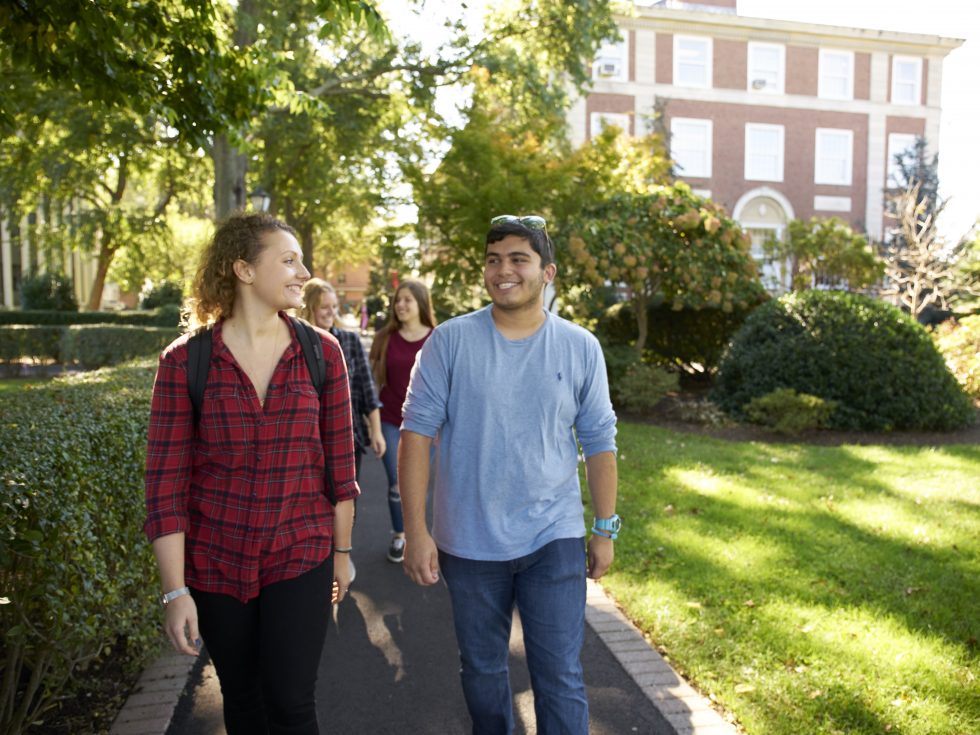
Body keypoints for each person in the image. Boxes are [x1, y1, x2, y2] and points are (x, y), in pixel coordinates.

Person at [399, 215, 619, 734]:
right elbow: (416, 435)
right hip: (469, 542)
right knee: (481, 671)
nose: (504, 271)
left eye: (519, 259)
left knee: (559, 674)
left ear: (547, 272)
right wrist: (416, 530)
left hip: (553, 537)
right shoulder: (450, 342)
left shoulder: (580, 346)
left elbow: (600, 442)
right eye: (494, 260)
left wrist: (604, 528)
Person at [144, 213, 358, 735]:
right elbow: (165, 488)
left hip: (300, 552)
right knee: (242, 702)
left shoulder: (322, 354)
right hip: (216, 564)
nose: (303, 272)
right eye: (288, 260)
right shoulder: (185, 362)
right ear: (242, 269)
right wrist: (176, 593)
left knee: (291, 701)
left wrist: (344, 555)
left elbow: (341, 470)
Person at [367, 279, 436, 563]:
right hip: (391, 421)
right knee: (397, 481)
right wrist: (373, 427)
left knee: (419, 481)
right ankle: (400, 535)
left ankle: (418, 535)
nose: (401, 305)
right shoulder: (385, 337)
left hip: (428, 425)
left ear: (421, 303)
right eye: (398, 300)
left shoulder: (437, 337)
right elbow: (370, 383)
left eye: (407, 299)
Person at [301, 278, 386, 479]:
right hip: (307, 441)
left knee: (347, 506)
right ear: (309, 308)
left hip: (346, 437)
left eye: (334, 306)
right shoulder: (295, 344)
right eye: (324, 307)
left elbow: (367, 388)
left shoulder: (349, 340)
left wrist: (376, 431)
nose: (331, 312)